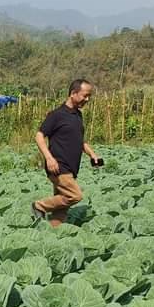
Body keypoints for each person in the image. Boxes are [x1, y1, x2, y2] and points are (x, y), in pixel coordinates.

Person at [31, 79, 102, 227]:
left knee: (61, 210)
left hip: (71, 168)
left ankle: (52, 232)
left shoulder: (77, 116)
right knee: (74, 195)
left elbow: (81, 141)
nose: (87, 99)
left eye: (89, 96)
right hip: (58, 166)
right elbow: (39, 136)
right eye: (85, 95)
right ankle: (39, 206)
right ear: (73, 93)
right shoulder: (57, 115)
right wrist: (49, 159)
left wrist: (93, 155)